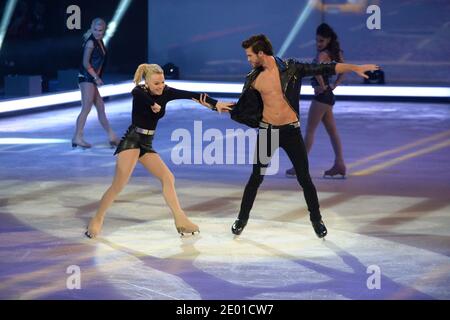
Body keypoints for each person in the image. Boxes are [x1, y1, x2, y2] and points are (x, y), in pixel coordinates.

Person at [223, 34, 378, 238]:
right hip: (268, 132)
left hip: (291, 132)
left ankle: (317, 220)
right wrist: (217, 105)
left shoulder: (292, 68)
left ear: (261, 53)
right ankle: (241, 220)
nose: (248, 59)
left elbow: (325, 68)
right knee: (255, 178)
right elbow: (244, 107)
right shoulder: (253, 78)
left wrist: (353, 68)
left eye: (250, 55)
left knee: (304, 179)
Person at [85, 64, 233, 238]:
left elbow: (191, 95)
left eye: (162, 82)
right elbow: (137, 93)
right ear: (146, 83)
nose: (160, 86)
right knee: (119, 185)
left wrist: (215, 104)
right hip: (132, 141)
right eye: (156, 83)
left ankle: (181, 220)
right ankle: (97, 218)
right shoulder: (140, 92)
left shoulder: (167, 91)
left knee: (168, 177)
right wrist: (152, 103)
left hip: (146, 143)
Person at [286, 23, 347, 179]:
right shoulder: (334, 53)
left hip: (321, 97)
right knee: (332, 132)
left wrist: (323, 85)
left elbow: (317, 70)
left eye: (321, 41)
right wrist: (333, 85)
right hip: (328, 97)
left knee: (309, 132)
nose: (318, 44)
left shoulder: (323, 55)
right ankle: (340, 164)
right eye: (317, 41)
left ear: (328, 40)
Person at [72, 18, 120, 149]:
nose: (98, 32)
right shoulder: (91, 43)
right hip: (87, 78)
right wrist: (96, 77)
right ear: (91, 29)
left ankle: (112, 136)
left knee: (100, 108)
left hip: (90, 79)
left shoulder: (99, 42)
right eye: (95, 30)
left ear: (104, 30)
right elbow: (85, 63)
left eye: (100, 30)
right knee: (86, 108)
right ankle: (77, 137)